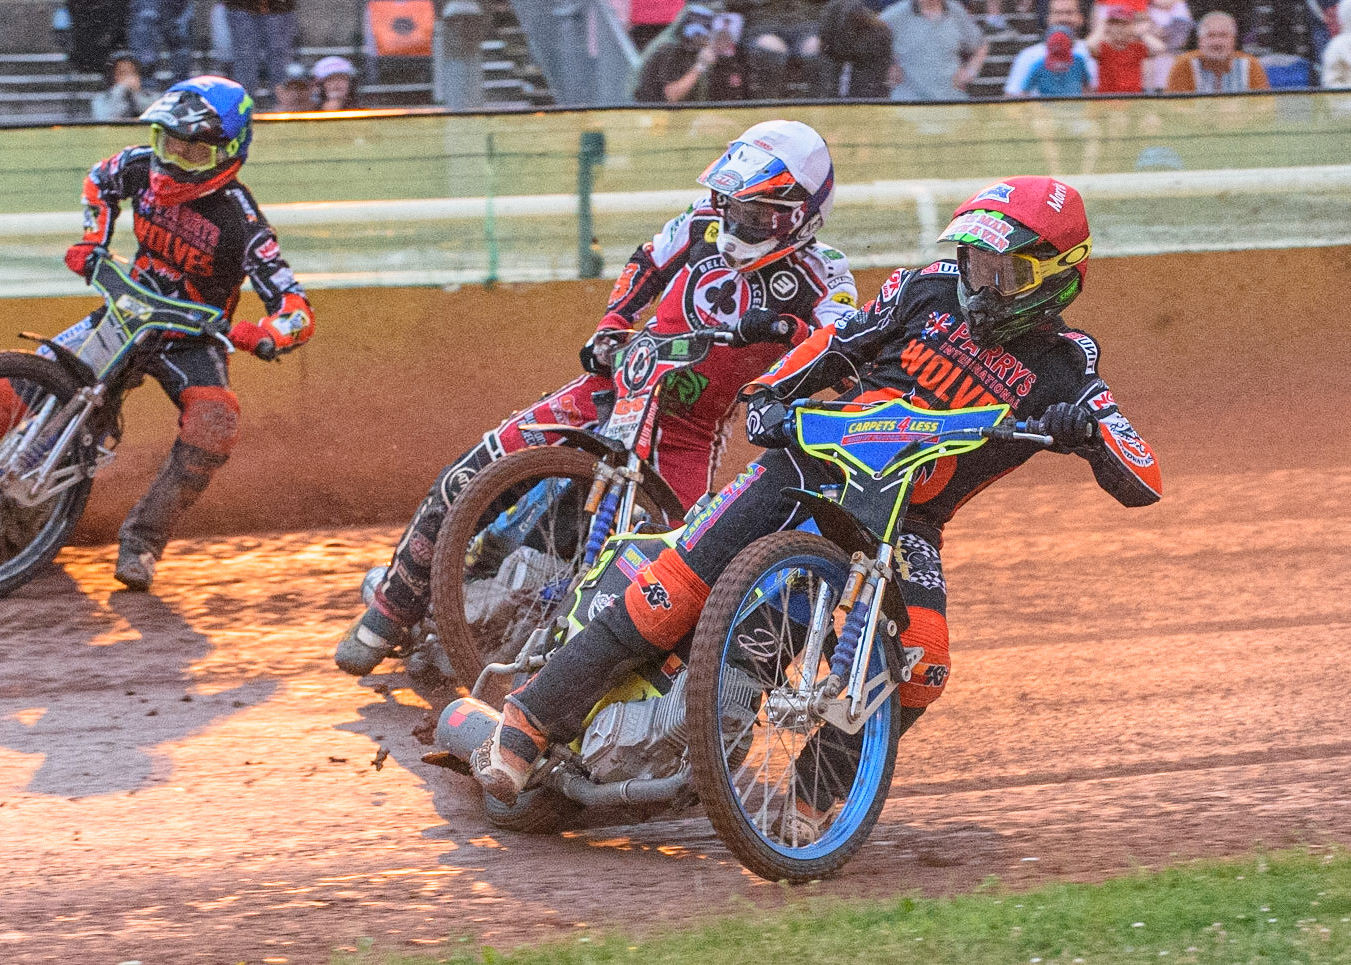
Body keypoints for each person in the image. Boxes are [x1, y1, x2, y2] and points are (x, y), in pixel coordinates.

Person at [469, 176, 1162, 806]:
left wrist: (1087, 432)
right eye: (973, 264)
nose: (978, 284)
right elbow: (839, 339)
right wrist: (770, 392)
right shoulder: (922, 288)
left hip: (906, 520)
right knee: (671, 587)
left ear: (1053, 279)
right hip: (813, 462)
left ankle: (808, 801)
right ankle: (526, 723)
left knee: (921, 664)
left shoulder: (1067, 365)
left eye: (1000, 272)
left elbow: (1144, 477)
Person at [335, 121, 858, 676]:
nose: (734, 222)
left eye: (753, 214)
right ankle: (391, 608)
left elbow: (845, 341)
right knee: (470, 474)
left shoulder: (825, 273)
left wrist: (789, 334)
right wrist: (611, 323)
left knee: (673, 584)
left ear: (799, 213)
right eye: (730, 205)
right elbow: (647, 261)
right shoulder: (701, 222)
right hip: (613, 388)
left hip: (688, 434)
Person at [30, 77, 313, 590]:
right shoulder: (140, 165)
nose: (173, 162)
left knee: (216, 420)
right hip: (130, 310)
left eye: (192, 151)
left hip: (191, 333)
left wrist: (268, 333)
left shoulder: (242, 221)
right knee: (34, 376)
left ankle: (142, 540)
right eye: (167, 143)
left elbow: (296, 308)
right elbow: (100, 178)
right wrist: (93, 240)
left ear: (228, 153)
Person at [880, 0, 987, 100]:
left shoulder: (956, 11)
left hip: (951, 103)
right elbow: (868, 43)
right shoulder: (895, 14)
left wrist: (970, 72)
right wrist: (886, 67)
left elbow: (981, 45)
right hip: (907, 105)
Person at [634, 7, 755, 101]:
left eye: (702, 35)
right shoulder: (668, 51)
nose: (698, 39)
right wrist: (700, 66)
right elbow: (671, 96)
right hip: (655, 118)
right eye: (694, 35)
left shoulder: (708, 55)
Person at [1005, 0, 1099, 94]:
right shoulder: (1029, 56)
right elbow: (1012, 97)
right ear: (1048, 18)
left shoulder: (1092, 51)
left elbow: (1094, 93)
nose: (1063, 18)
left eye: (1069, 13)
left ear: (1081, 17)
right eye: (1057, 13)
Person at [1165, 10, 1269, 89]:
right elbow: (1174, 110)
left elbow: (1264, 108)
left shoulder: (1250, 65)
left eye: (1223, 35)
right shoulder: (1184, 64)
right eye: (1211, 36)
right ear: (1200, 40)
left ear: (1233, 40)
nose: (1217, 42)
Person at [1088, 2, 1165, 91]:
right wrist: (1102, 26)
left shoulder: (1136, 47)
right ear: (1108, 26)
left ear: (1131, 26)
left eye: (1124, 24)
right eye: (1115, 23)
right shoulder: (1103, 47)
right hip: (1106, 100)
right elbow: (1090, 45)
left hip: (1132, 99)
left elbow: (1160, 48)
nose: (1119, 28)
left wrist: (1141, 34)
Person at [1020, 27, 1096, 95]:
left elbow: (1088, 88)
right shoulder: (1038, 65)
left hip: (1075, 108)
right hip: (1046, 109)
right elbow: (1024, 93)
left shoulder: (1079, 61)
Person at [91, 51, 147, 120]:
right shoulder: (101, 99)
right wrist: (121, 89)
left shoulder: (150, 96)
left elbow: (149, 115)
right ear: (112, 76)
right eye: (123, 73)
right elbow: (106, 119)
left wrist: (136, 94)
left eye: (133, 72)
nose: (129, 78)